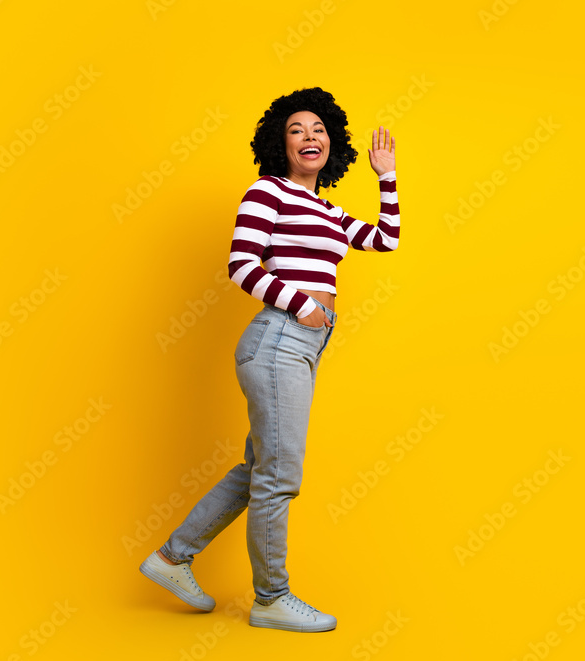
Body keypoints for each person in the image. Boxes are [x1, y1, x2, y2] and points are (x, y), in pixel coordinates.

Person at [139, 86, 399, 632]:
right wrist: (304, 305)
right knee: (280, 476)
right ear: (280, 144)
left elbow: (385, 240)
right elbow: (240, 265)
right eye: (298, 130)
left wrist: (386, 177)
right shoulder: (268, 192)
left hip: (304, 345)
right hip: (279, 338)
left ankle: (171, 558)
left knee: (258, 468)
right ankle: (270, 599)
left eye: (320, 130)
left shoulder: (325, 208)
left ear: (333, 143)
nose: (311, 137)